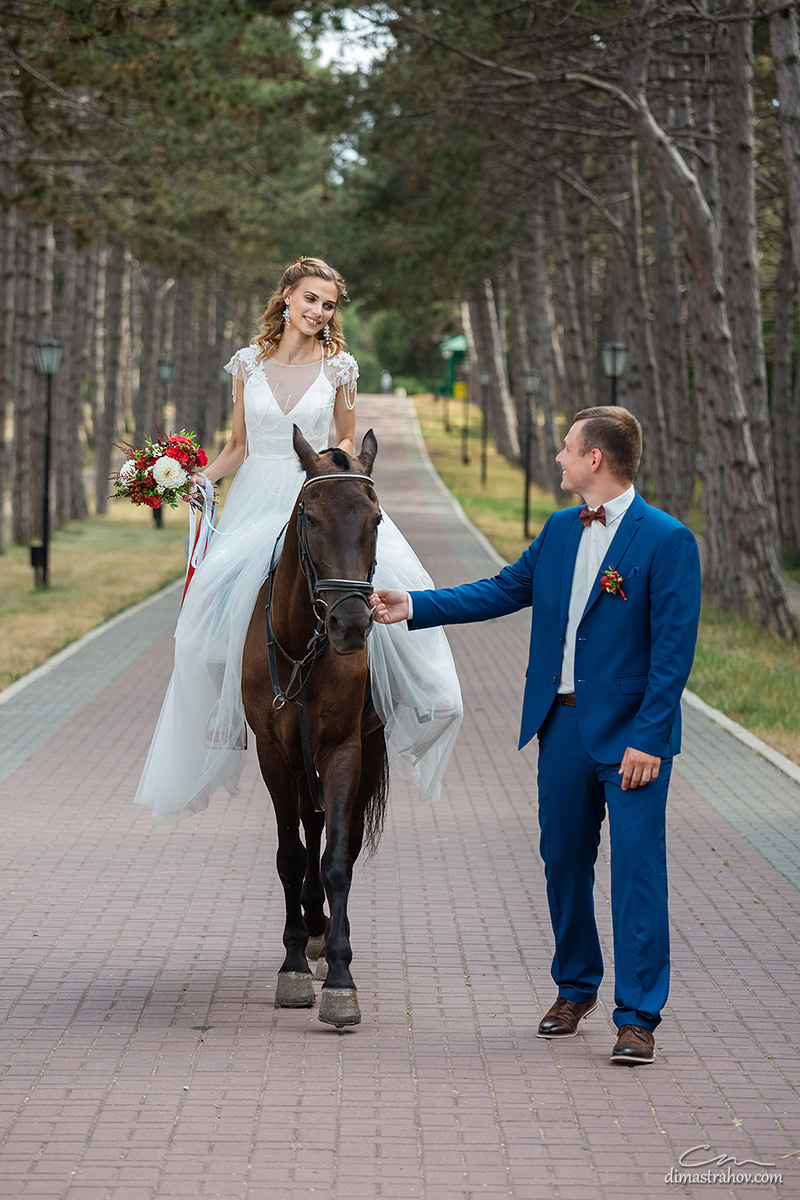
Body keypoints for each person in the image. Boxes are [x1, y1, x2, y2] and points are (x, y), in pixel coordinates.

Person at [371, 406, 701, 1065]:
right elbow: (504, 588)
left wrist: (650, 738)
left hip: (634, 737)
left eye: (567, 450)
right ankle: (575, 987)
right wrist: (416, 606)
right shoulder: (557, 531)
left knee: (639, 873)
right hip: (564, 726)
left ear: (596, 460)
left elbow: (673, 651)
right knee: (563, 863)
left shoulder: (667, 540)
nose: (559, 459)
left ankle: (637, 1018)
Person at [135, 257, 461, 823]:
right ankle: (228, 715)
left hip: (317, 497)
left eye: (329, 304)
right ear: (286, 297)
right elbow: (237, 446)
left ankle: (395, 701)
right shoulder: (248, 364)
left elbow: (343, 441)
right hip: (255, 501)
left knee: (378, 588)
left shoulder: (341, 368)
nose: (317, 312)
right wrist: (194, 482)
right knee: (204, 620)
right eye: (309, 298)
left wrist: (336, 488)